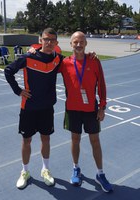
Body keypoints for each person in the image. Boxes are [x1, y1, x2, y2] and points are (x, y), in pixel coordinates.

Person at [4, 28, 64, 189]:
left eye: (52, 40)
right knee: (27, 140)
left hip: (46, 108)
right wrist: (18, 90)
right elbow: (8, 71)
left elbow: (74, 62)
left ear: (56, 42)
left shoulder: (58, 59)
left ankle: (45, 169)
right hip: (28, 107)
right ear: (40, 40)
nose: (49, 42)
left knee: (46, 138)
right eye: (46, 39)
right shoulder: (28, 57)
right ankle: (25, 171)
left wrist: (90, 55)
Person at [59, 31, 113, 192]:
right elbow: (47, 62)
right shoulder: (64, 63)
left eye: (81, 41)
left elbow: (102, 85)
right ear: (71, 44)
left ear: (86, 44)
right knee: (75, 140)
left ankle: (100, 173)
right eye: (75, 42)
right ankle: (76, 168)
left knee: (95, 141)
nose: (78, 44)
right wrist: (35, 49)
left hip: (91, 109)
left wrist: (102, 107)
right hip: (73, 109)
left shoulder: (95, 61)